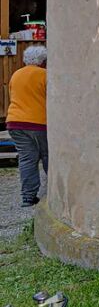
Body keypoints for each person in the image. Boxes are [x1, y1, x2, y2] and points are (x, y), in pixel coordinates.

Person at [8, 45, 48, 208]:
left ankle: (28, 197)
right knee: (47, 156)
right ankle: (54, 193)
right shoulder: (45, 75)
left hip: (14, 122)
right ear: (43, 61)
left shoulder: (16, 74)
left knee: (27, 159)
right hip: (38, 123)